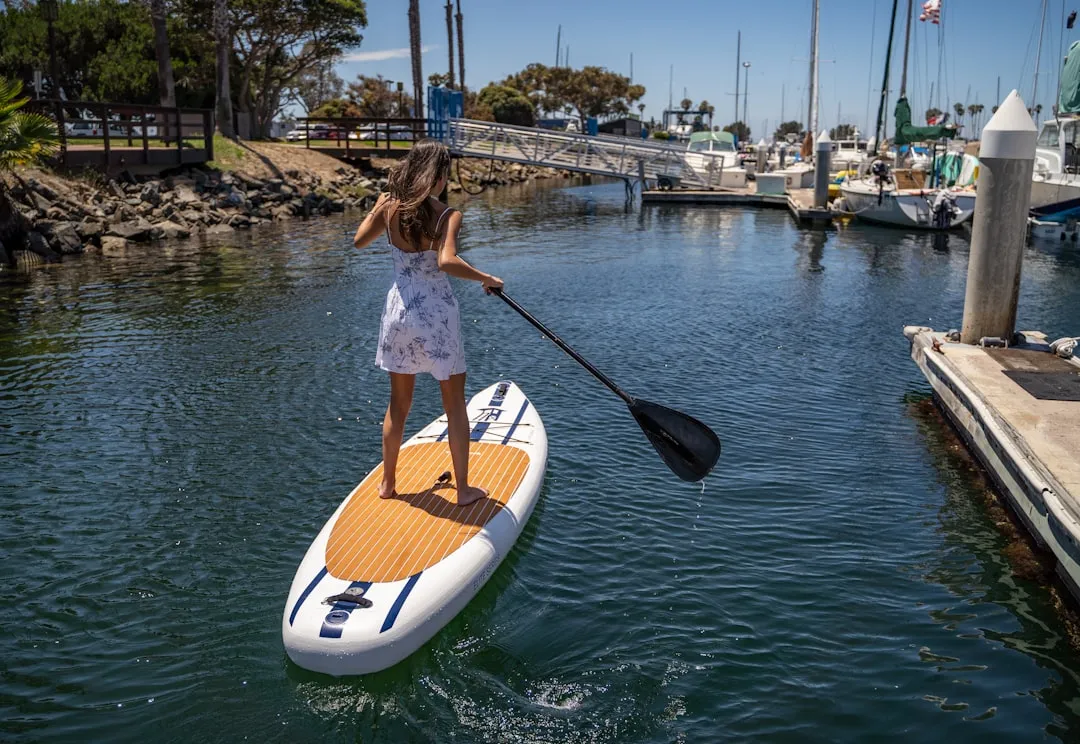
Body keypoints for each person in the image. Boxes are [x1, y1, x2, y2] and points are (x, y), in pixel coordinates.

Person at [351, 140, 503, 507]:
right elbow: (447, 262)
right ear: (437, 178)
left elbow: (358, 242)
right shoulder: (447, 215)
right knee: (453, 405)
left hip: (399, 311)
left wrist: (374, 210)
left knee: (398, 405)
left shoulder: (389, 208)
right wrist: (487, 278)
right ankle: (463, 490)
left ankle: (388, 483)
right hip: (435, 313)